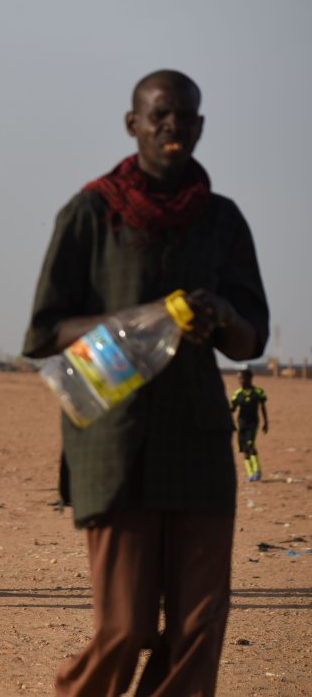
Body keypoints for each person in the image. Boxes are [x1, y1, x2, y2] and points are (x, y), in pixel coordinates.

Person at [22, 70, 269, 695]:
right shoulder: (90, 214)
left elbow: (252, 337)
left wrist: (222, 316)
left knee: (198, 626)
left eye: (184, 116)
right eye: (158, 115)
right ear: (132, 124)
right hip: (114, 442)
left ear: (201, 127)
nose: (171, 127)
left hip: (198, 442)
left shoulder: (222, 221)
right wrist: (134, 323)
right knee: (125, 625)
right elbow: (44, 331)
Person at [231, 368, 269, 482]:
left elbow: (263, 407)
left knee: (250, 444)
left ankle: (257, 470)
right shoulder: (237, 394)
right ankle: (250, 473)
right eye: (239, 378)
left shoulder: (258, 392)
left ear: (249, 378)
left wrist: (266, 422)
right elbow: (233, 409)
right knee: (244, 449)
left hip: (253, 423)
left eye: (243, 378)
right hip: (241, 423)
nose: (241, 380)